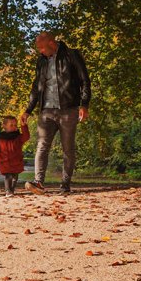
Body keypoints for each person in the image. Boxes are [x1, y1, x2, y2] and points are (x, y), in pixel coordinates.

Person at [21, 32, 91, 195]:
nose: (40, 51)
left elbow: (84, 80)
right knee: (42, 146)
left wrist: (84, 104)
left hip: (68, 109)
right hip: (46, 110)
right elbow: (36, 87)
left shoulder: (72, 55)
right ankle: (38, 182)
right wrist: (28, 110)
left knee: (68, 149)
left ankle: (65, 185)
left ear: (52, 43)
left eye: (42, 48)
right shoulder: (41, 61)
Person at [0, 115, 30, 197]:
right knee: (8, 175)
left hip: (16, 161)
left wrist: (24, 126)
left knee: (15, 177)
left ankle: (12, 190)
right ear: (4, 126)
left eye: (15, 125)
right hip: (5, 161)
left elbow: (26, 136)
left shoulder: (18, 137)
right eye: (11, 125)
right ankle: (8, 191)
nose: (14, 127)